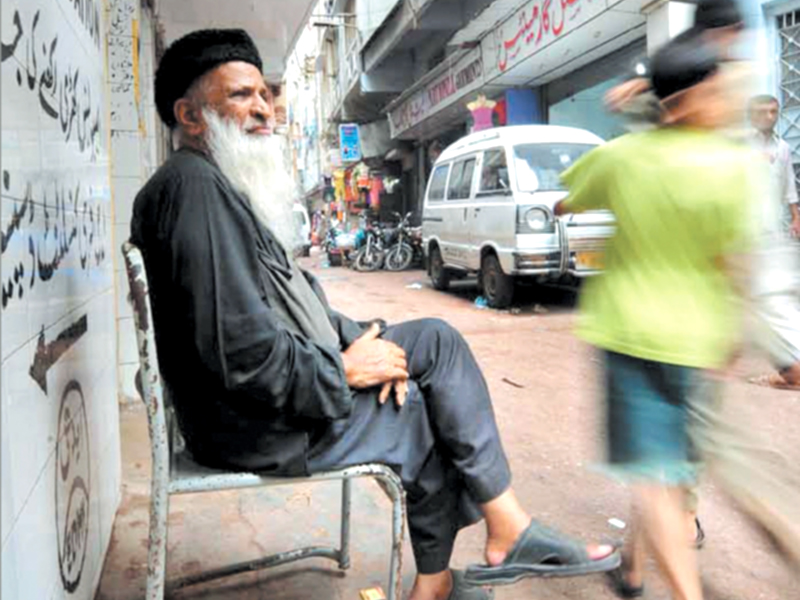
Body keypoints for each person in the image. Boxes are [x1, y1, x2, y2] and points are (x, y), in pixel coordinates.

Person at [130, 29, 619, 600]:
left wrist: (365, 338)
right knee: (424, 413)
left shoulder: (216, 186)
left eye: (265, 94)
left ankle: (501, 528)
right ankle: (460, 566)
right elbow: (239, 349)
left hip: (270, 398)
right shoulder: (192, 189)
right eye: (241, 96)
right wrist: (345, 371)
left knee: (433, 341)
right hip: (254, 424)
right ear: (190, 115)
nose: (264, 108)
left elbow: (293, 297)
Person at [555, 36, 755, 600]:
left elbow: (564, 203)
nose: (726, 96)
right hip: (699, 342)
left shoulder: (620, 158)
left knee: (651, 476)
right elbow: (733, 260)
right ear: (689, 99)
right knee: (667, 472)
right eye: (716, 87)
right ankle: (633, 568)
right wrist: (732, 334)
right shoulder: (733, 166)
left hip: (630, 336)